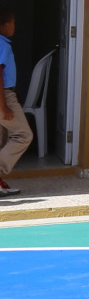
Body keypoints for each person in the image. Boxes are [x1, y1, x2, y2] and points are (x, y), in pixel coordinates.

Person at [0, 11, 27, 196]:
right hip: (4, 96)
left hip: (8, 93)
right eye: (12, 23)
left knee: (3, 139)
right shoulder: (2, 44)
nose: (14, 27)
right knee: (23, 135)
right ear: (3, 25)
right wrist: (4, 106)